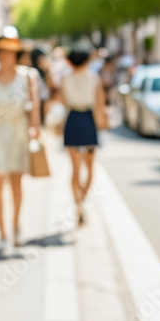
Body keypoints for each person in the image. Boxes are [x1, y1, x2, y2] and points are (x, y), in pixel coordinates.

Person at [0, 36, 41, 250]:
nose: (6, 57)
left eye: (10, 53)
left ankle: (16, 226)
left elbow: (35, 108)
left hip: (18, 135)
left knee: (16, 182)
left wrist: (35, 130)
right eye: (2, 52)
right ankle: (2, 233)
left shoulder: (27, 77)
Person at [61, 48, 107, 225]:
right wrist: (101, 124)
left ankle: (77, 203)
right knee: (89, 167)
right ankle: (83, 201)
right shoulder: (94, 78)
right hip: (88, 121)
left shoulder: (65, 78)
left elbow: (64, 102)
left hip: (72, 119)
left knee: (74, 168)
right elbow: (100, 105)